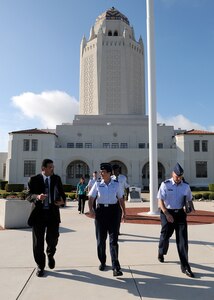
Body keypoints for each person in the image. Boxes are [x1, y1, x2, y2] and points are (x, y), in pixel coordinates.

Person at [26, 158, 66, 277]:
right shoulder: (34, 179)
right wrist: (37, 197)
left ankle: (50, 254)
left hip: (53, 214)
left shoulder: (56, 178)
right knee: (38, 243)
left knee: (53, 239)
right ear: (43, 168)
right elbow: (28, 196)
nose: (52, 169)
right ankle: (40, 266)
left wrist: (62, 201)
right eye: (50, 167)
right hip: (38, 215)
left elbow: (62, 195)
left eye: (53, 167)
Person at [157, 162, 195, 278]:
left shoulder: (185, 186)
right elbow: (160, 201)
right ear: (172, 173)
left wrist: (191, 208)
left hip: (180, 214)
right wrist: (167, 214)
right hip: (167, 212)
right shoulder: (165, 184)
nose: (178, 178)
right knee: (165, 235)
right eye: (177, 176)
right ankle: (161, 251)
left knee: (183, 241)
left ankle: (185, 267)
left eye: (180, 176)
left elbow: (189, 199)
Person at [88, 163, 126, 277]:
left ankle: (116, 266)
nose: (101, 173)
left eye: (103, 172)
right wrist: (90, 209)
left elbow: (120, 198)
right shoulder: (98, 184)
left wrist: (124, 212)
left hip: (114, 212)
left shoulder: (116, 184)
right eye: (101, 171)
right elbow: (91, 197)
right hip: (101, 213)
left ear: (109, 173)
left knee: (113, 241)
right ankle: (103, 261)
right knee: (101, 240)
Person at [111, 164, 129, 235]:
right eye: (113, 170)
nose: (113, 172)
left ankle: (117, 230)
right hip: (112, 199)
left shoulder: (123, 178)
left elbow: (127, 187)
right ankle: (113, 229)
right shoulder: (110, 178)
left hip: (120, 198)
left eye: (115, 170)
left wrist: (127, 196)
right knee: (112, 215)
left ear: (118, 170)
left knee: (119, 215)